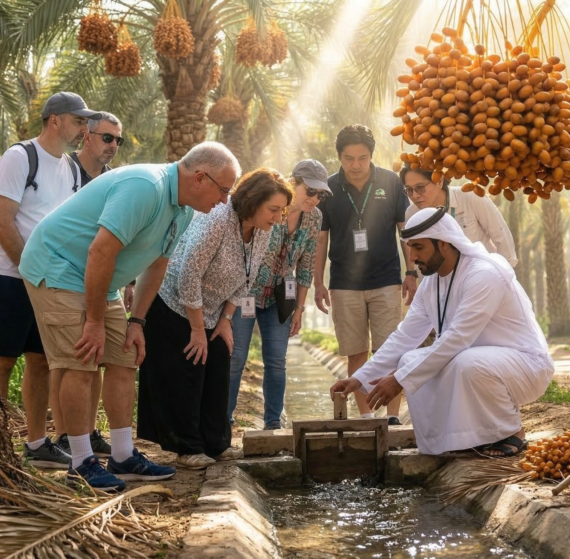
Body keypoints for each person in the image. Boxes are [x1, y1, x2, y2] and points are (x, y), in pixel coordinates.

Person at [19, 141, 241, 491]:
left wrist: (137, 322)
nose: (225, 200)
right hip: (59, 267)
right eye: (224, 190)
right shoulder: (145, 187)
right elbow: (100, 249)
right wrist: (93, 322)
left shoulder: (183, 210)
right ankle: (81, 463)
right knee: (82, 360)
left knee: (124, 358)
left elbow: (157, 265)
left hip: (99, 280)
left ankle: (122, 455)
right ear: (200, 177)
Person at [329, 207, 554, 456]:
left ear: (444, 244)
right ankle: (452, 440)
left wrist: (400, 379)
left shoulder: (483, 275)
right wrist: (360, 377)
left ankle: (510, 433)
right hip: (476, 363)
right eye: (410, 248)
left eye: (419, 247)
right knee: (409, 359)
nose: (412, 257)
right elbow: (405, 337)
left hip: (525, 366)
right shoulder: (432, 284)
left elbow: (457, 339)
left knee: (466, 362)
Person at [139, 168, 294, 470]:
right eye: (273, 209)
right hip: (175, 304)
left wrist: (226, 319)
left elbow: (248, 277)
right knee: (189, 372)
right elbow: (188, 274)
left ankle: (217, 443)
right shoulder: (216, 218)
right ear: (252, 201)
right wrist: (197, 328)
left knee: (219, 363)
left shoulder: (265, 230)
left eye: (281, 211)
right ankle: (188, 448)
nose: (278, 217)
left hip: (214, 309)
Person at [0, 91, 99, 469]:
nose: (86, 128)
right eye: (79, 120)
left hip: (50, 283)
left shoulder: (69, 167)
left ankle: (36, 444)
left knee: (40, 362)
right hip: (10, 278)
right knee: (0, 362)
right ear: (55, 120)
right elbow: (1, 221)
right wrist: (31, 269)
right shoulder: (19, 157)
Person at [313, 125, 418, 425]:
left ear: (372, 155)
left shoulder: (391, 182)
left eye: (362, 157)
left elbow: (404, 231)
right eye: (349, 158)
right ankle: (367, 416)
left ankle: (394, 418)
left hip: (387, 280)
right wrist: (319, 282)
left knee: (390, 352)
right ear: (339, 157)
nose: (356, 165)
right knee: (356, 353)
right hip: (344, 285)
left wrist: (410, 271)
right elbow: (322, 239)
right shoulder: (328, 189)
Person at [227, 160, 327, 430]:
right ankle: (223, 421)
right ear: (294, 183)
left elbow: (306, 263)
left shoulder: (314, 217)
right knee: (236, 357)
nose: (315, 199)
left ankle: (273, 423)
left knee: (276, 361)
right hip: (246, 293)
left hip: (280, 297)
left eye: (322, 194)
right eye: (311, 191)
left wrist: (300, 309)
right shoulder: (270, 206)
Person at [51, 111, 124, 459]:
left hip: (96, 277)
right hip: (59, 273)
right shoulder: (63, 171)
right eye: (107, 138)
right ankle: (63, 435)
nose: (113, 146)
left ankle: (89, 432)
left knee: (92, 358)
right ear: (87, 136)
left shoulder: (114, 181)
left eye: (118, 141)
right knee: (64, 360)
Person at [400, 167, 518, 266]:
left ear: (439, 181)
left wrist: (504, 274)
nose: (414, 195)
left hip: (482, 276)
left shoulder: (471, 197)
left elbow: (501, 234)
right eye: (409, 190)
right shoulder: (412, 214)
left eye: (420, 187)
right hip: (445, 284)